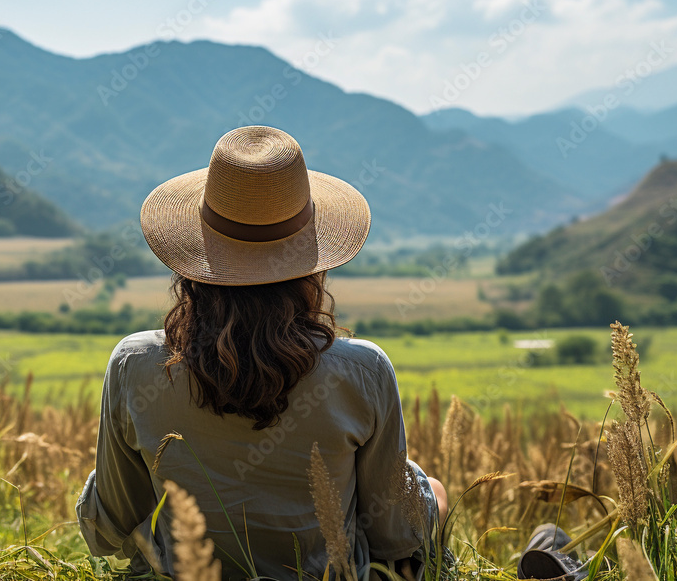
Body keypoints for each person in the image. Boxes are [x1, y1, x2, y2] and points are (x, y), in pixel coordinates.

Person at [76, 126, 448, 580]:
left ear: (193, 262)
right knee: (435, 490)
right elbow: (396, 534)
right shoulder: (363, 370)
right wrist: (431, 499)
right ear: (311, 266)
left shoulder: (134, 364)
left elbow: (106, 532)